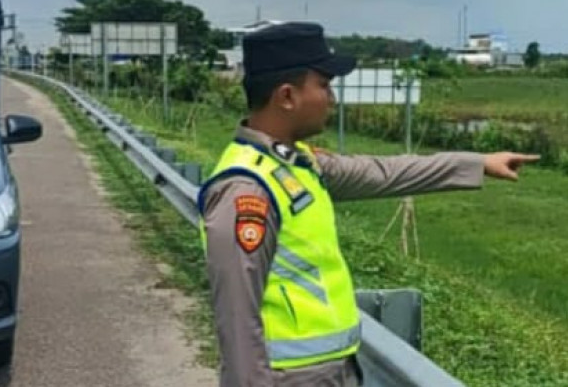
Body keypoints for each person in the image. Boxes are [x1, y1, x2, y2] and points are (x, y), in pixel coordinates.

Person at [196, 22, 538, 387]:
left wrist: (477, 163)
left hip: (331, 371)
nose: (332, 99)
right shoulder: (247, 189)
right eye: (324, 86)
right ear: (287, 96)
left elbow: (384, 173)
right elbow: (236, 322)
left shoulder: (298, 165)